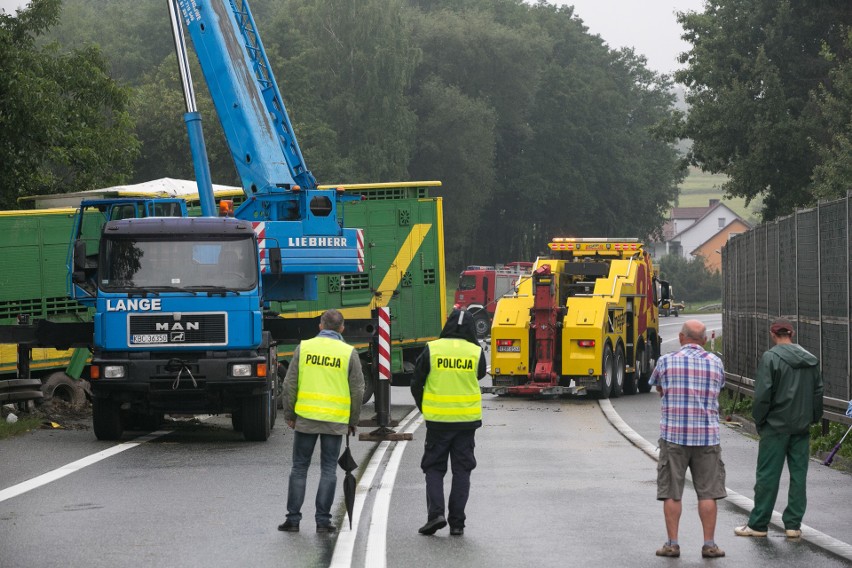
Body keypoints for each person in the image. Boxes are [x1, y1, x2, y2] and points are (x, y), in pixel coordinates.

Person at [735, 318, 823, 539]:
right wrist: (812, 418)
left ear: (773, 335)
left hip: (775, 426)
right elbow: (817, 393)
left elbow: (763, 395)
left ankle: (758, 524)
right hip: (801, 427)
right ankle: (793, 525)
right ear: (792, 334)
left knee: (768, 475)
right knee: (799, 476)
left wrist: (760, 420)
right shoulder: (811, 360)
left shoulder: (771, 358)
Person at [278, 309, 364, 534]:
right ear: (342, 328)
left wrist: (289, 415)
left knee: (299, 468)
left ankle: (293, 519)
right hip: (335, 421)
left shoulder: (304, 348)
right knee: (328, 469)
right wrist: (352, 420)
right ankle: (323, 521)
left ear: (320, 325)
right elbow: (358, 390)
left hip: (305, 418)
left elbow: (289, 384)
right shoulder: (349, 353)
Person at [649, 319, 727, 559]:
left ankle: (672, 544)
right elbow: (719, 389)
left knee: (672, 492)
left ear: (682, 338)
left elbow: (659, 388)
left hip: (674, 437)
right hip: (706, 438)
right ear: (704, 341)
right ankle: (710, 544)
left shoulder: (666, 361)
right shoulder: (715, 363)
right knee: (708, 493)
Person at [410, 309, 487, 536]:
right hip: (466, 422)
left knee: (434, 468)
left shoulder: (432, 349)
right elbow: (480, 374)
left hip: (438, 423)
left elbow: (416, 382)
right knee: (462, 471)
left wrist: (425, 408)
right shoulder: (475, 352)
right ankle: (457, 523)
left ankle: (435, 515)